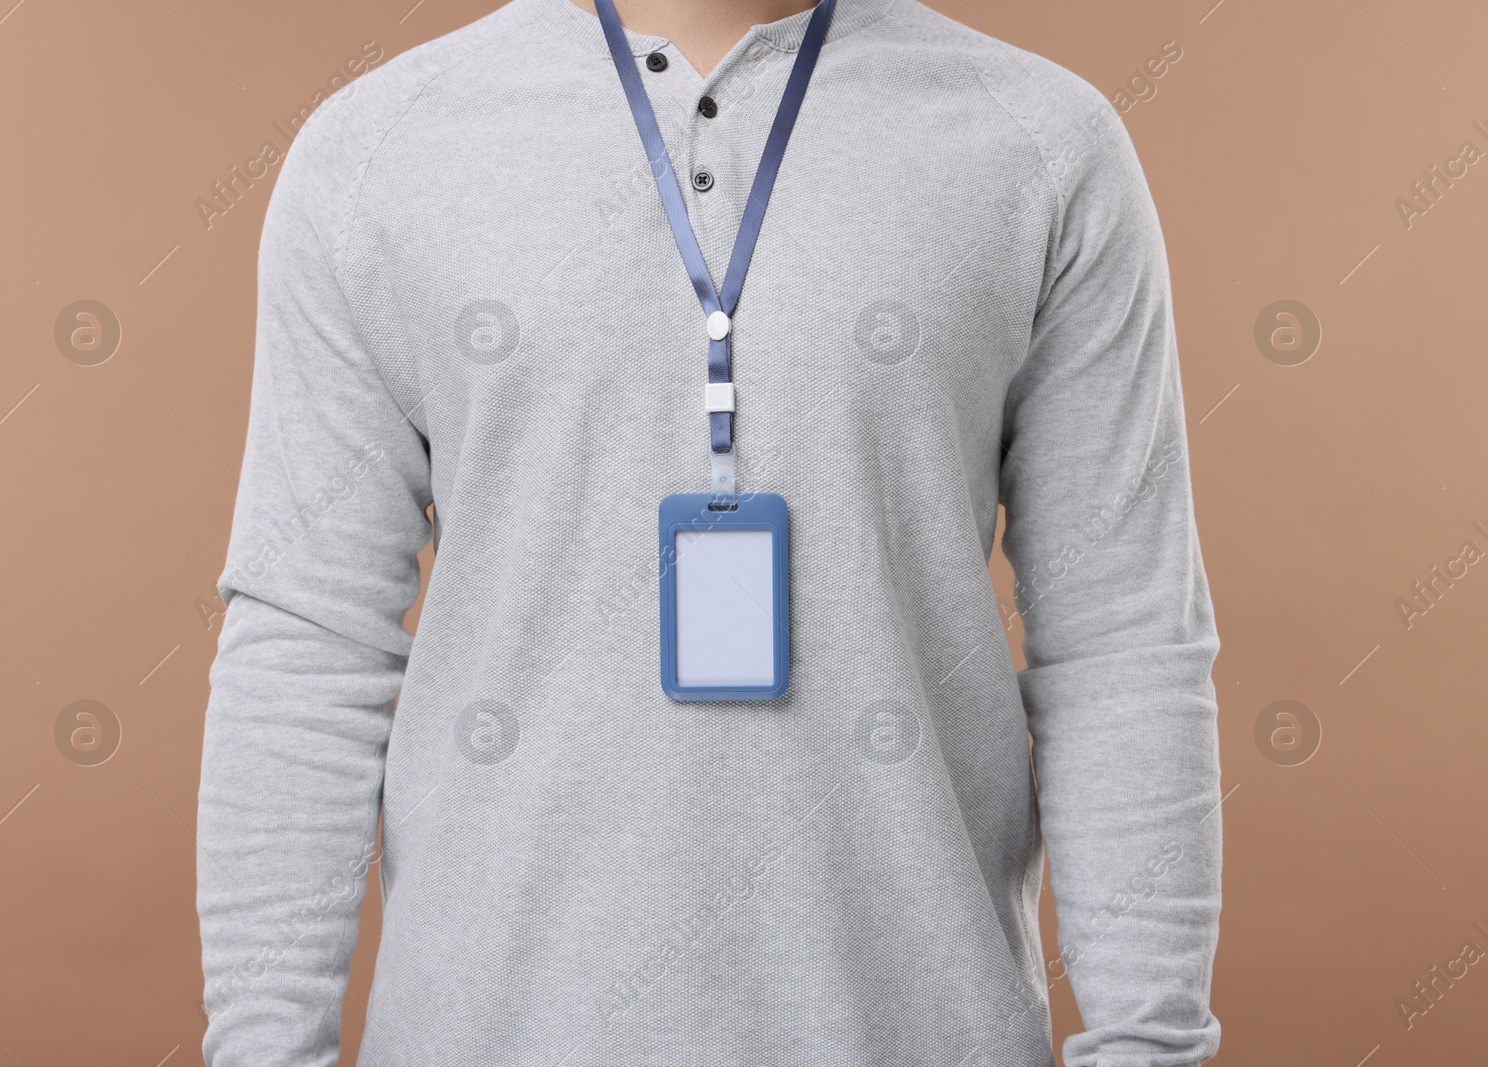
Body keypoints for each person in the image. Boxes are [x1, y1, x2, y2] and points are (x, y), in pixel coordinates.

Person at [195, 0, 1225, 1064]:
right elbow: (306, 647)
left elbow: (1123, 640)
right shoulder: (379, 152)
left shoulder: (1041, 145)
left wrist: (1148, 1044)